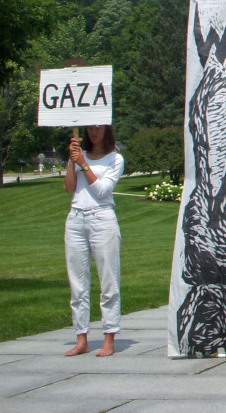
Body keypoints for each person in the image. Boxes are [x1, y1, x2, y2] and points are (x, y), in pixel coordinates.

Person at [63, 124, 125, 357]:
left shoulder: (115, 159)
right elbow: (69, 188)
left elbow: (102, 191)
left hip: (102, 218)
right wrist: (73, 161)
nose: (93, 131)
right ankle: (81, 338)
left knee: (109, 280)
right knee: (77, 284)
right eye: (90, 128)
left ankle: (109, 336)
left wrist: (83, 165)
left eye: (98, 128)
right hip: (76, 218)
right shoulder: (79, 156)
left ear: (107, 130)